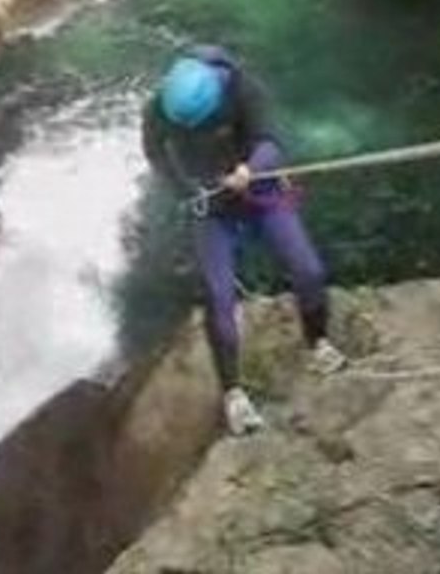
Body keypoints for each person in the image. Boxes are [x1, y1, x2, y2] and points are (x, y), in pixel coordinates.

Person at [142, 45, 347, 436]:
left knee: (308, 271)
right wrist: (187, 189)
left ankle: (318, 343)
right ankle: (233, 394)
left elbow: (272, 143)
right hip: (212, 204)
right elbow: (155, 153)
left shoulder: (241, 87)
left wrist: (249, 170)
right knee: (218, 296)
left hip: (260, 189)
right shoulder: (162, 106)